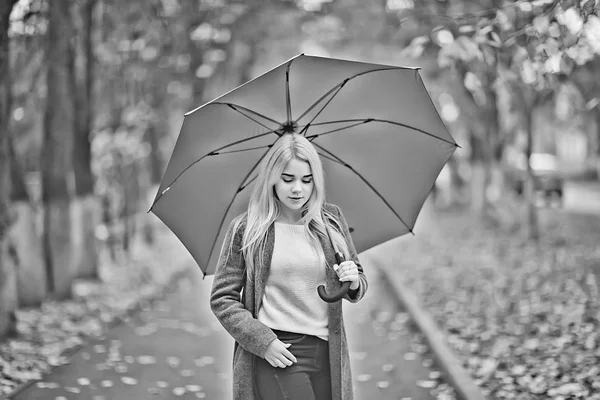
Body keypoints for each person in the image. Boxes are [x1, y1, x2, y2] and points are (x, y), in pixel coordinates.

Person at [210, 132, 368, 400]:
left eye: (307, 180)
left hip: (329, 353)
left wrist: (353, 280)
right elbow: (222, 298)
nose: (298, 189)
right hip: (280, 352)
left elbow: (359, 281)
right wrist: (263, 341)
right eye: (288, 179)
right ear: (272, 178)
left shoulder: (331, 222)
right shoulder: (247, 229)